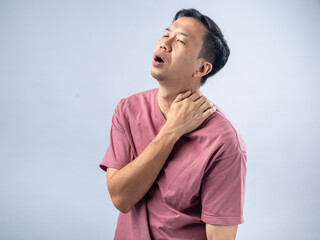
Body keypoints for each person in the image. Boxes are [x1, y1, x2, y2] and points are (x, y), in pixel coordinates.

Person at [100, 8, 247, 240]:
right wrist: (172, 130)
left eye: (180, 41)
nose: (164, 43)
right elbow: (121, 198)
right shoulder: (128, 110)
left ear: (202, 68)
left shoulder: (224, 141)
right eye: (166, 34)